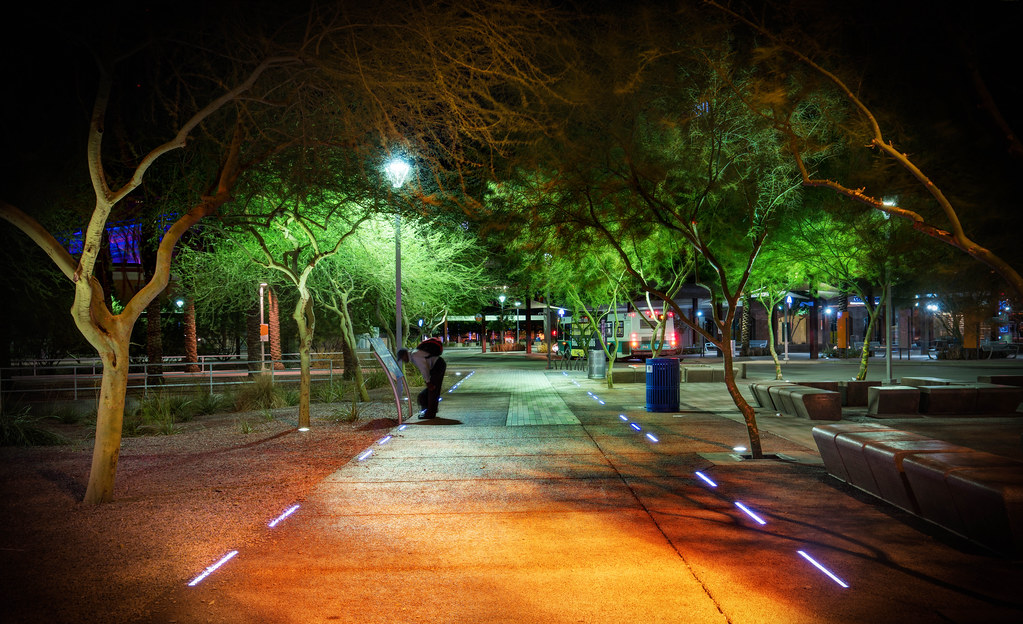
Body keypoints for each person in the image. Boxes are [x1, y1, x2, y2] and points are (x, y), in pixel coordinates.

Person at [397, 338, 446, 419]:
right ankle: (431, 411)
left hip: (438, 366)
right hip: (438, 365)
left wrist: (428, 382)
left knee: (432, 391)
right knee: (431, 392)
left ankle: (430, 413)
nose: (403, 360)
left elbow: (424, 368)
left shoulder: (415, 355)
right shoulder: (414, 354)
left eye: (402, 358)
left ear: (405, 354)